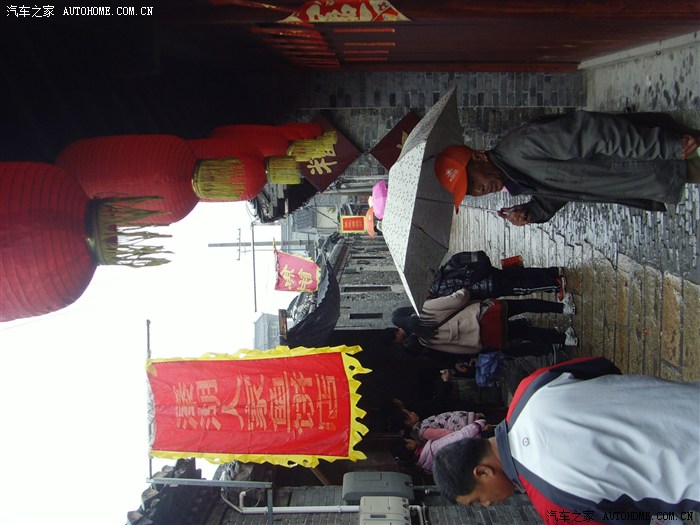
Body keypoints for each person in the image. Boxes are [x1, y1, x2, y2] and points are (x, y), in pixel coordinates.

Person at [431, 356, 700, 525]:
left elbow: (634, 518)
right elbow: (604, 367)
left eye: (478, 500)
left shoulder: (552, 505)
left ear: (483, 472)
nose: (488, 505)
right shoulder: (531, 387)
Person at [434, 111, 700, 225]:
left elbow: (597, 133)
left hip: (664, 159)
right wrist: (532, 211)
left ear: (479, 157)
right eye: (472, 192)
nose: (480, 190)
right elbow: (562, 187)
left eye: (473, 181)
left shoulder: (525, 146)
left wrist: (664, 145)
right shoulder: (516, 173)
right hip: (657, 175)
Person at [386, 288, 577, 361]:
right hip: (483, 315)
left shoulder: (425, 341)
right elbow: (457, 299)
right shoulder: (424, 311)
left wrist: (478, 345)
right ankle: (564, 308)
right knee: (523, 305)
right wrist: (462, 290)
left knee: (525, 332)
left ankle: (565, 339)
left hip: (484, 336)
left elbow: (456, 349)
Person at [429, 250, 567, 300]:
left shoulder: (453, 263)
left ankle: (555, 284)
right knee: (521, 275)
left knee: (522, 286)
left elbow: (480, 256)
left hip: (492, 285)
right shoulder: (451, 263)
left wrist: (476, 276)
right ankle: (554, 273)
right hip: (492, 279)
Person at [392, 417, 492, 475]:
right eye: (408, 440)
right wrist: (478, 424)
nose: (411, 439)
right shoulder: (434, 449)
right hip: (480, 444)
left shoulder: (427, 467)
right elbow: (459, 437)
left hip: (479, 461)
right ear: (409, 446)